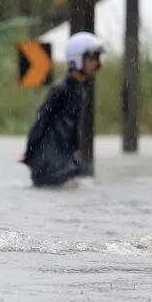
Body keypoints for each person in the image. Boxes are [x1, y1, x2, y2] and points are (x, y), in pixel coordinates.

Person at [21, 31, 105, 187]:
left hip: (65, 161)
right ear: (77, 58)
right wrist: (30, 153)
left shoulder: (81, 88)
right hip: (50, 164)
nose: (96, 62)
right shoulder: (61, 89)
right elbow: (41, 120)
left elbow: (74, 130)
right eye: (92, 57)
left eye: (97, 58)